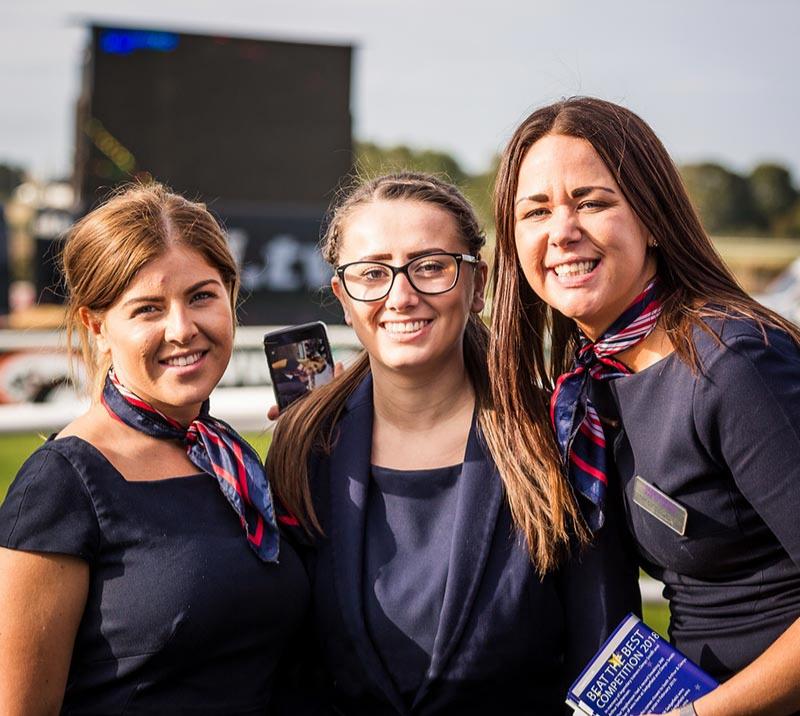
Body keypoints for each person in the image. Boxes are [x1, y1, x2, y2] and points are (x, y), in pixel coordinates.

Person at [267, 172, 640, 715]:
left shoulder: (556, 436)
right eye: (372, 274)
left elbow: (605, 655)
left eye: (431, 266)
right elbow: (289, 665)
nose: (402, 295)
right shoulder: (305, 448)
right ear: (343, 299)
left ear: (479, 283)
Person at [490, 96, 800, 716]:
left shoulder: (733, 365)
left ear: (653, 219)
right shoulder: (591, 383)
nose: (562, 231)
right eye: (536, 211)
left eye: (593, 201)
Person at [0, 184, 309, 714]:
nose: (183, 329)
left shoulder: (232, 458)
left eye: (202, 296)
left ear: (231, 298)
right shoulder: (59, 487)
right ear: (97, 327)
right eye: (147, 309)